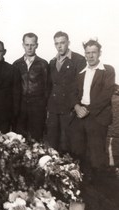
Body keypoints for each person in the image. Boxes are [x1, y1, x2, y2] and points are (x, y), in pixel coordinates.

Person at [68, 39, 115, 176]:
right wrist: (77, 106)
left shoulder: (107, 70)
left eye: (93, 52)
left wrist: (86, 110)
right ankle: (81, 184)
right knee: (78, 151)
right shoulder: (81, 73)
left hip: (97, 117)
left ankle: (99, 187)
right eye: (88, 53)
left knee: (96, 155)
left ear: (100, 53)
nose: (90, 56)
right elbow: (73, 93)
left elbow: (106, 95)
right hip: (80, 115)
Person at [47, 31, 86, 153]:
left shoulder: (78, 60)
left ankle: (71, 171)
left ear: (68, 43)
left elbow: (80, 85)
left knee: (69, 144)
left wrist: (76, 106)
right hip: (54, 109)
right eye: (56, 43)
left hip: (69, 109)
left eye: (62, 43)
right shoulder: (52, 62)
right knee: (53, 144)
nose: (59, 46)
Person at [13, 33, 49, 142]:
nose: (29, 47)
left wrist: (45, 107)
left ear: (37, 45)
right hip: (21, 107)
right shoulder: (17, 64)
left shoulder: (43, 64)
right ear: (23, 45)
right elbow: (14, 87)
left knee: (36, 139)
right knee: (18, 139)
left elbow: (47, 87)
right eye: (27, 44)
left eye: (32, 45)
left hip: (37, 107)